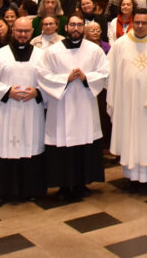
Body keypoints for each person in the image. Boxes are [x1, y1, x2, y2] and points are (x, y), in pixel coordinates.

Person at [36, 14, 109, 201]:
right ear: (66, 27)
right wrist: (64, 79)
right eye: (72, 24)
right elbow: (42, 75)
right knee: (62, 144)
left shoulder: (94, 50)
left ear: (83, 28)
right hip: (62, 105)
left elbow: (104, 72)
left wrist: (86, 78)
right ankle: (63, 185)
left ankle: (81, 183)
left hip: (84, 104)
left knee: (84, 142)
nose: (75, 28)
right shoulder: (53, 51)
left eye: (79, 25)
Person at [0, 16, 45, 207]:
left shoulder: (42, 56)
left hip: (32, 110)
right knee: (4, 148)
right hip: (7, 110)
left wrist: (38, 92)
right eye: (19, 31)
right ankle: (0, 192)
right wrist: (7, 92)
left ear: (32, 32)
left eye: (26, 31)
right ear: (12, 30)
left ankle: (30, 190)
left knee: (30, 146)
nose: (22, 35)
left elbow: (50, 81)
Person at [107, 8, 147, 191]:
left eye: (144, 23)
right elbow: (110, 71)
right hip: (128, 102)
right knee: (131, 136)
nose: (140, 26)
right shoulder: (121, 44)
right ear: (132, 22)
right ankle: (132, 176)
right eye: (137, 22)